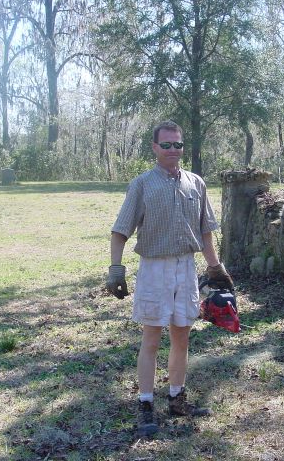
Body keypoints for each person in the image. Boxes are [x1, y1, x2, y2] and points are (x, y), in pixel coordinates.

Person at [106, 120, 234, 437]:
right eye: (166, 144)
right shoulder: (142, 185)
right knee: (151, 339)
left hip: (186, 268)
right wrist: (115, 268)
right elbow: (120, 230)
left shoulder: (196, 184)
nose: (173, 150)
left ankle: (177, 398)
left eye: (177, 144)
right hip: (154, 267)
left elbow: (205, 231)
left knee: (182, 335)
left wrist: (215, 268)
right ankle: (146, 405)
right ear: (155, 147)